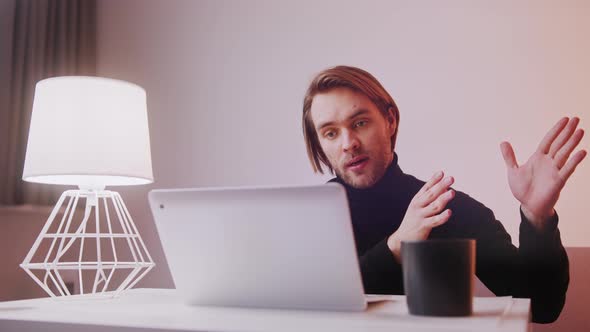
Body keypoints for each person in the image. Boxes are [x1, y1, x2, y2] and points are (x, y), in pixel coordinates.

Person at [301, 65, 586, 323]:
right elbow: (309, 308)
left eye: (360, 123)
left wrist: (538, 217)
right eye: (330, 133)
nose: (348, 143)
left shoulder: (447, 208)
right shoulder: (307, 218)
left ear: (390, 121)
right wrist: (395, 247)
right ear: (320, 145)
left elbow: (542, 307)